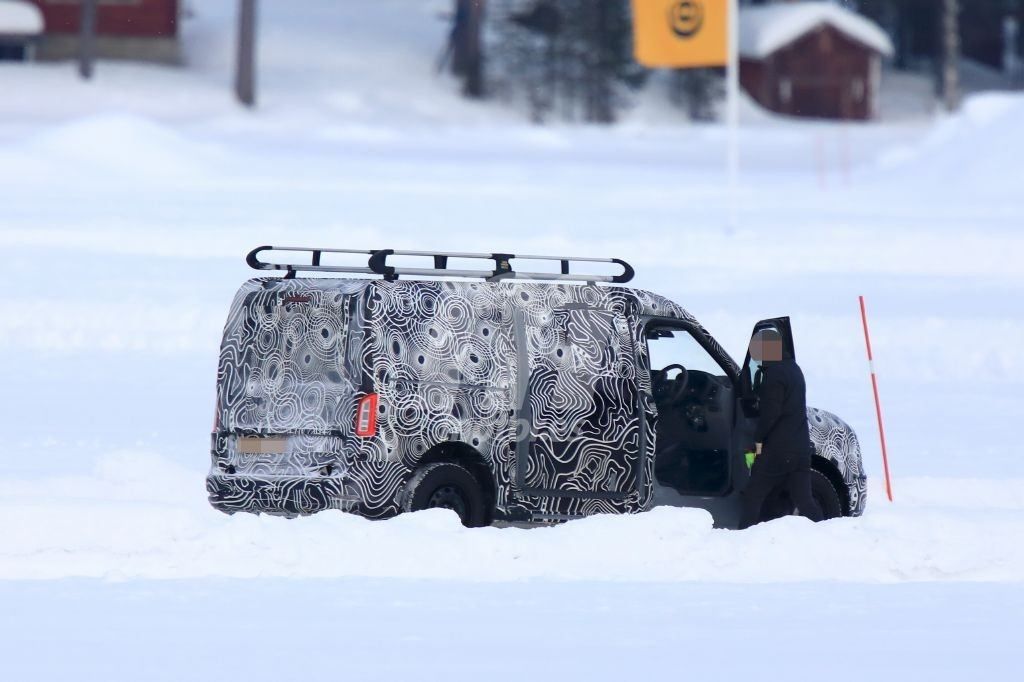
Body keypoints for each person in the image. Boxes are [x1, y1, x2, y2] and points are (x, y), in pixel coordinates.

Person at [738, 328, 823, 529]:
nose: (756, 355)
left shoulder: (774, 375)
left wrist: (758, 439)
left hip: (778, 451)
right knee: (804, 500)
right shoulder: (794, 369)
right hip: (800, 448)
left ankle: (741, 538)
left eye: (758, 350)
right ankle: (825, 531)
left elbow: (771, 414)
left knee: (753, 496)